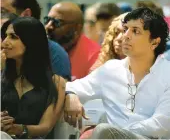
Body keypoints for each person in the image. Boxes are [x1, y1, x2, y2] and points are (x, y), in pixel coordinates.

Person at [64, 7, 170, 139]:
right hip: (110, 136)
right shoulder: (111, 69)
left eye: (135, 31)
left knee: (103, 131)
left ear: (154, 42)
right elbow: (71, 87)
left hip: (149, 138)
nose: (125, 36)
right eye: (125, 29)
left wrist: (117, 132)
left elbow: (160, 125)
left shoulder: (167, 73)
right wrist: (71, 95)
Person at [1, 17, 65, 139]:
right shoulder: (2, 75)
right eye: (5, 36)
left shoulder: (55, 82)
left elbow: (46, 127)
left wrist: (17, 128)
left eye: (13, 37)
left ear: (31, 41)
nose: (4, 43)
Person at [1, 0, 71, 80]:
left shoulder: (54, 54)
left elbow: (58, 91)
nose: (5, 42)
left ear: (26, 15)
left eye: (2, 12)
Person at [45, 1, 100, 80]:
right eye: (47, 20)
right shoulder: (40, 48)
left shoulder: (94, 56)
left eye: (57, 22)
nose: (48, 26)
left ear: (77, 28)